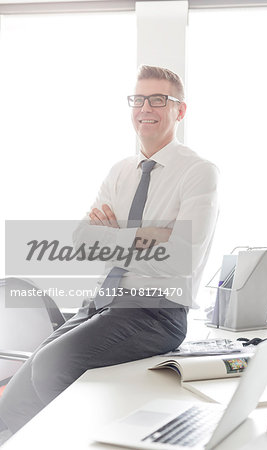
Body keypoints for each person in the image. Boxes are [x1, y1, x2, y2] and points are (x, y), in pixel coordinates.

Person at [0, 65, 219, 437]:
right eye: (138, 99)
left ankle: (86, 441)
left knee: (52, 365)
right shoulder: (120, 171)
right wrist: (150, 236)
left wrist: (115, 233)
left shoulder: (199, 171)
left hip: (156, 313)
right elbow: (82, 240)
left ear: (179, 110)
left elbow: (183, 254)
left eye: (158, 100)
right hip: (101, 303)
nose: (145, 108)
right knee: (14, 397)